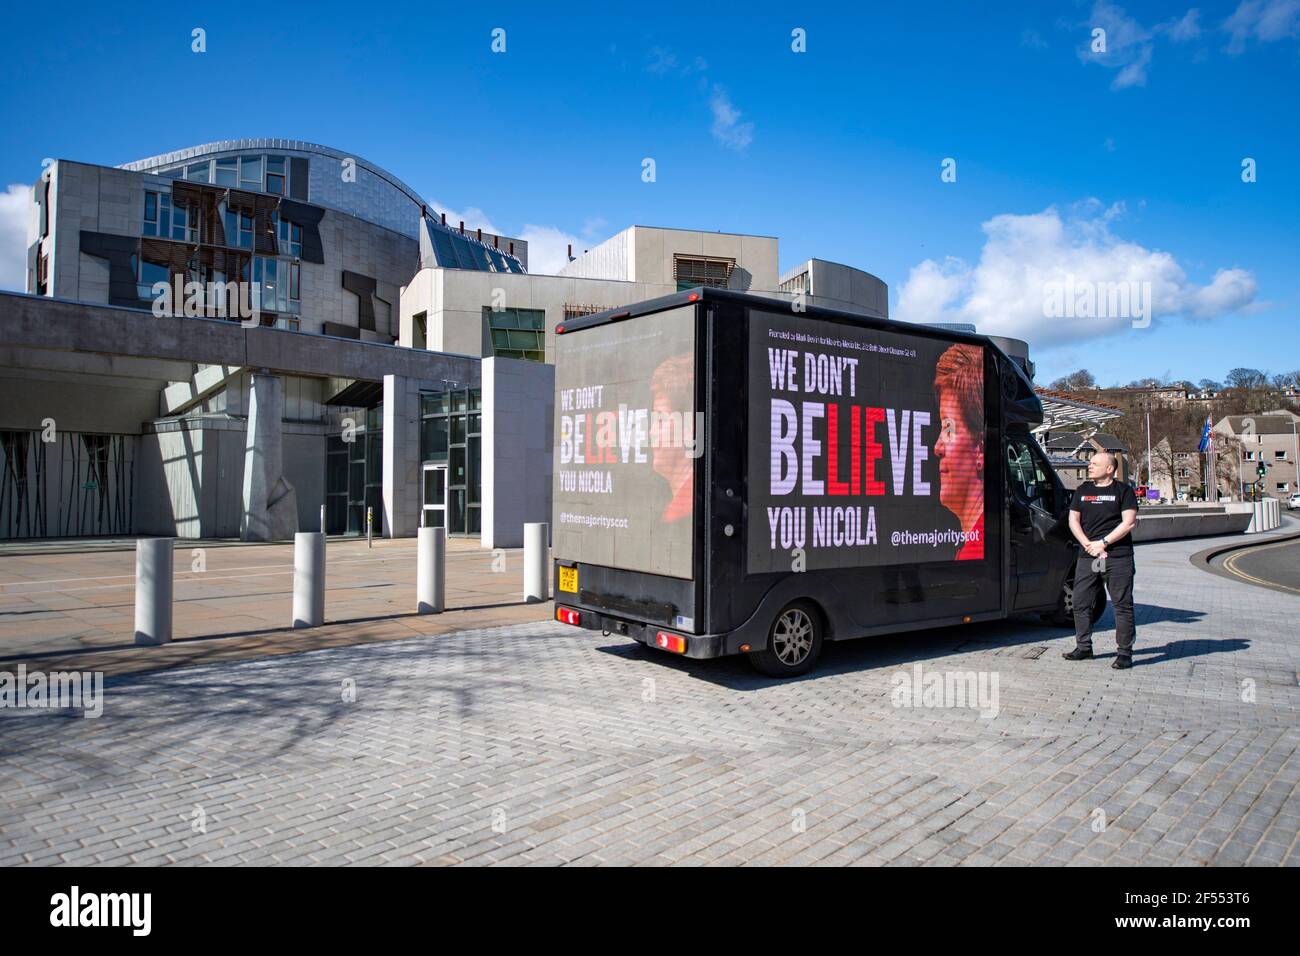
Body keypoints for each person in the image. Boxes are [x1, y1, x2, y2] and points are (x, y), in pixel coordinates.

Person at [1062, 452, 1139, 669]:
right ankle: (1084, 647)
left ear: (1110, 469)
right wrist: (1088, 544)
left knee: (1122, 605)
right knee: (1081, 602)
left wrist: (1103, 543)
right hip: (1089, 556)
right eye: (1090, 463)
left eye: (1095, 463)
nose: (1090, 466)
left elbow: (1129, 522)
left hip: (1117, 557)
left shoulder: (1123, 491)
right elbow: (1073, 520)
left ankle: (1124, 653)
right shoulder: (1083, 490)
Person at [933, 344, 985, 560]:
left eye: (949, 429)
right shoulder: (973, 547)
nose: (937, 447)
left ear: (981, 449)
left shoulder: (975, 552)